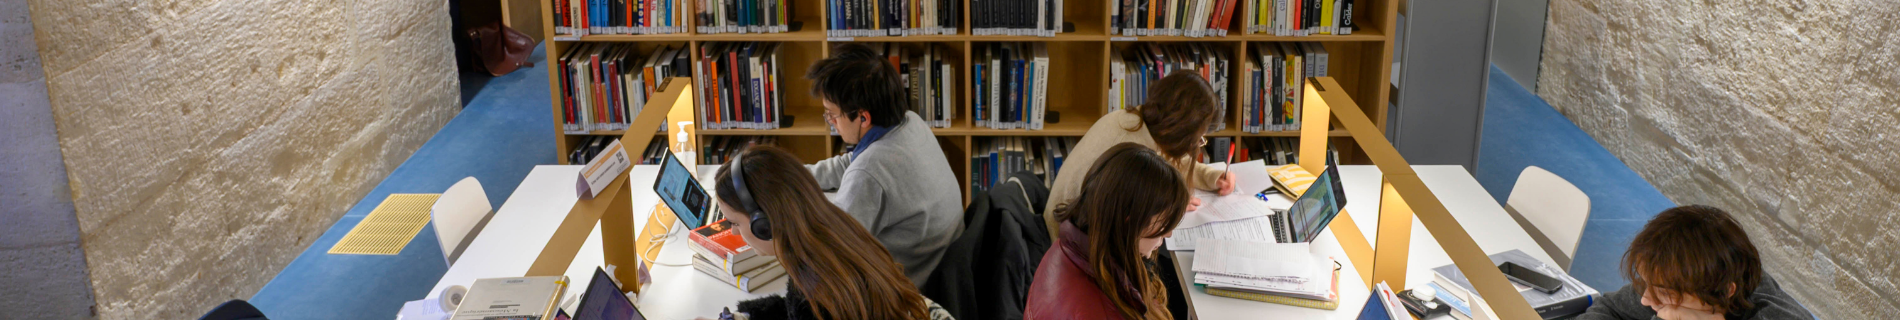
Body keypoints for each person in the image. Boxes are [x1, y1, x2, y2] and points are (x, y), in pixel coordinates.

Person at [700, 146, 954, 320]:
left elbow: (804, 310)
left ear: (764, 224)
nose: (733, 231)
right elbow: (793, 310)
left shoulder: (817, 287)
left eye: (734, 222)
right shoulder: (835, 230)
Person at [802, 43, 964, 289]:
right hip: (941, 269)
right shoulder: (910, 122)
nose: (831, 123)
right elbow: (852, 162)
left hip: (907, 292)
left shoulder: (869, 174)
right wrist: (794, 177)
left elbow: (831, 254)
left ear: (863, 117)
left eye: (832, 114)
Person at [1044, 71, 1233, 240]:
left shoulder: (1135, 121)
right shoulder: (1130, 154)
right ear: (1178, 133)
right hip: (1070, 242)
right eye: (1198, 139)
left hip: (1068, 229)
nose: (1197, 144)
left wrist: (1212, 177)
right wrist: (1168, 212)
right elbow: (1125, 219)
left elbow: (1167, 162)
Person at [1025, 143, 1192, 320]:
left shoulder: (1072, 243)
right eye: (1163, 222)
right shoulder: (1101, 311)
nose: (1168, 234)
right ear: (1130, 222)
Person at [1576, 205, 1812, 320]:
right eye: (1647, 284)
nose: (1646, 299)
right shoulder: (1674, 279)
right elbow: (1608, 308)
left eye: (1664, 292)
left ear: (1725, 291)